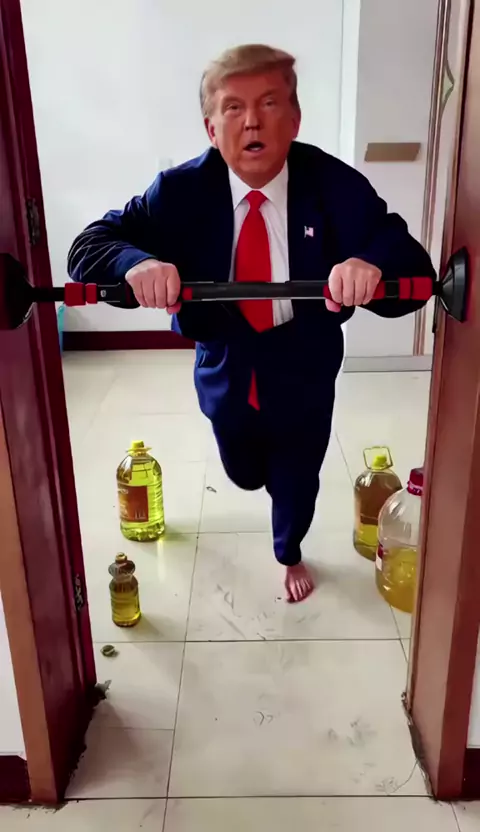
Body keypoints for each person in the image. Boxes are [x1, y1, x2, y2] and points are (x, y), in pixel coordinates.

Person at [68, 44, 435, 603]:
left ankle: (289, 549)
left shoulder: (333, 184)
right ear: (211, 128)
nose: (253, 122)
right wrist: (135, 264)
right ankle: (252, 467)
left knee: (298, 474)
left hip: (305, 360)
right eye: (234, 107)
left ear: (295, 119)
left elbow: (411, 263)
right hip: (225, 360)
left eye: (269, 103)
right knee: (242, 469)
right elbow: (89, 246)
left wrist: (371, 264)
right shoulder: (180, 192)